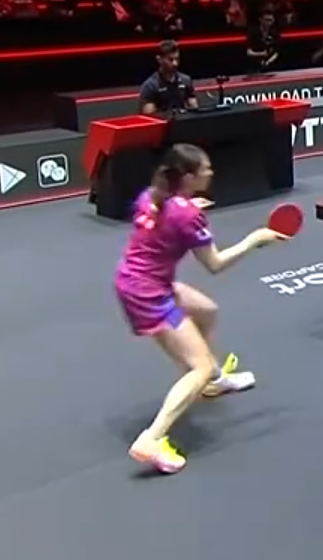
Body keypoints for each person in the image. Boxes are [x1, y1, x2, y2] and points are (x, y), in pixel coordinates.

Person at [116, 143, 287, 473]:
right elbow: (215, 264)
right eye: (205, 168)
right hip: (148, 294)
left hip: (135, 280)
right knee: (200, 366)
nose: (211, 172)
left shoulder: (152, 196)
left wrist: (187, 204)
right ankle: (152, 438)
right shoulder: (188, 215)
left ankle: (213, 381)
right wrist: (255, 240)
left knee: (206, 310)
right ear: (189, 177)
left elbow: (170, 215)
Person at [139, 40, 198, 114]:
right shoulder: (150, 86)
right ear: (159, 59)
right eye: (170, 60)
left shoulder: (186, 80)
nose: (175, 63)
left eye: (177, 59)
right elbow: (149, 116)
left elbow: (195, 109)